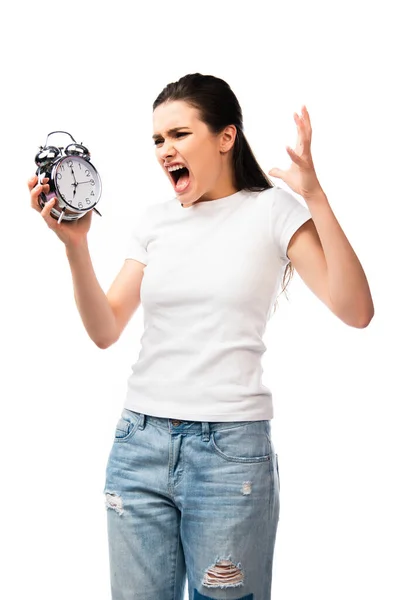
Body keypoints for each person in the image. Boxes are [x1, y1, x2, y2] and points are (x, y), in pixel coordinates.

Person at [28, 73, 374, 600]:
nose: (165, 150)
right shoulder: (154, 223)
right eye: (157, 140)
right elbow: (104, 330)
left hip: (231, 452)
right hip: (138, 445)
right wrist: (75, 245)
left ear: (225, 137)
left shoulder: (274, 211)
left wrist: (315, 195)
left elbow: (356, 310)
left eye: (179, 134)